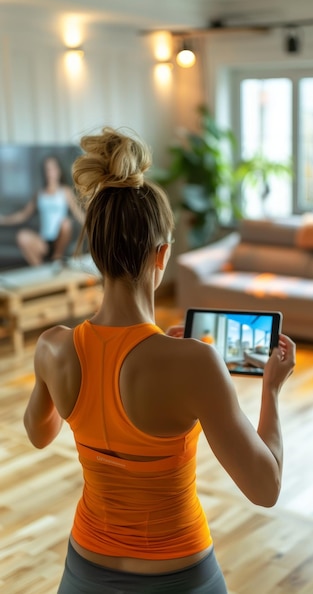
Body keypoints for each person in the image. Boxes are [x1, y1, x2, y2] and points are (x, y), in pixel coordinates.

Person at [23, 126, 296, 594]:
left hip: (83, 569)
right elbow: (265, 488)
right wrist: (270, 389)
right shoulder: (196, 363)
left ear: (95, 252)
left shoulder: (53, 346)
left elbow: (40, 433)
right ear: (162, 254)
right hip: (180, 576)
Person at [0, 155, 85, 266]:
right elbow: (23, 215)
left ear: (59, 170)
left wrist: (94, 225)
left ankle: (56, 259)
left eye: (53, 168)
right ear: (44, 172)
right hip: (44, 241)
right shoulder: (39, 194)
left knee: (66, 223)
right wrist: (3, 220)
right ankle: (39, 269)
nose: (50, 172)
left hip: (60, 239)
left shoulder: (66, 191)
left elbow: (78, 214)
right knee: (22, 236)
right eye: (47, 169)